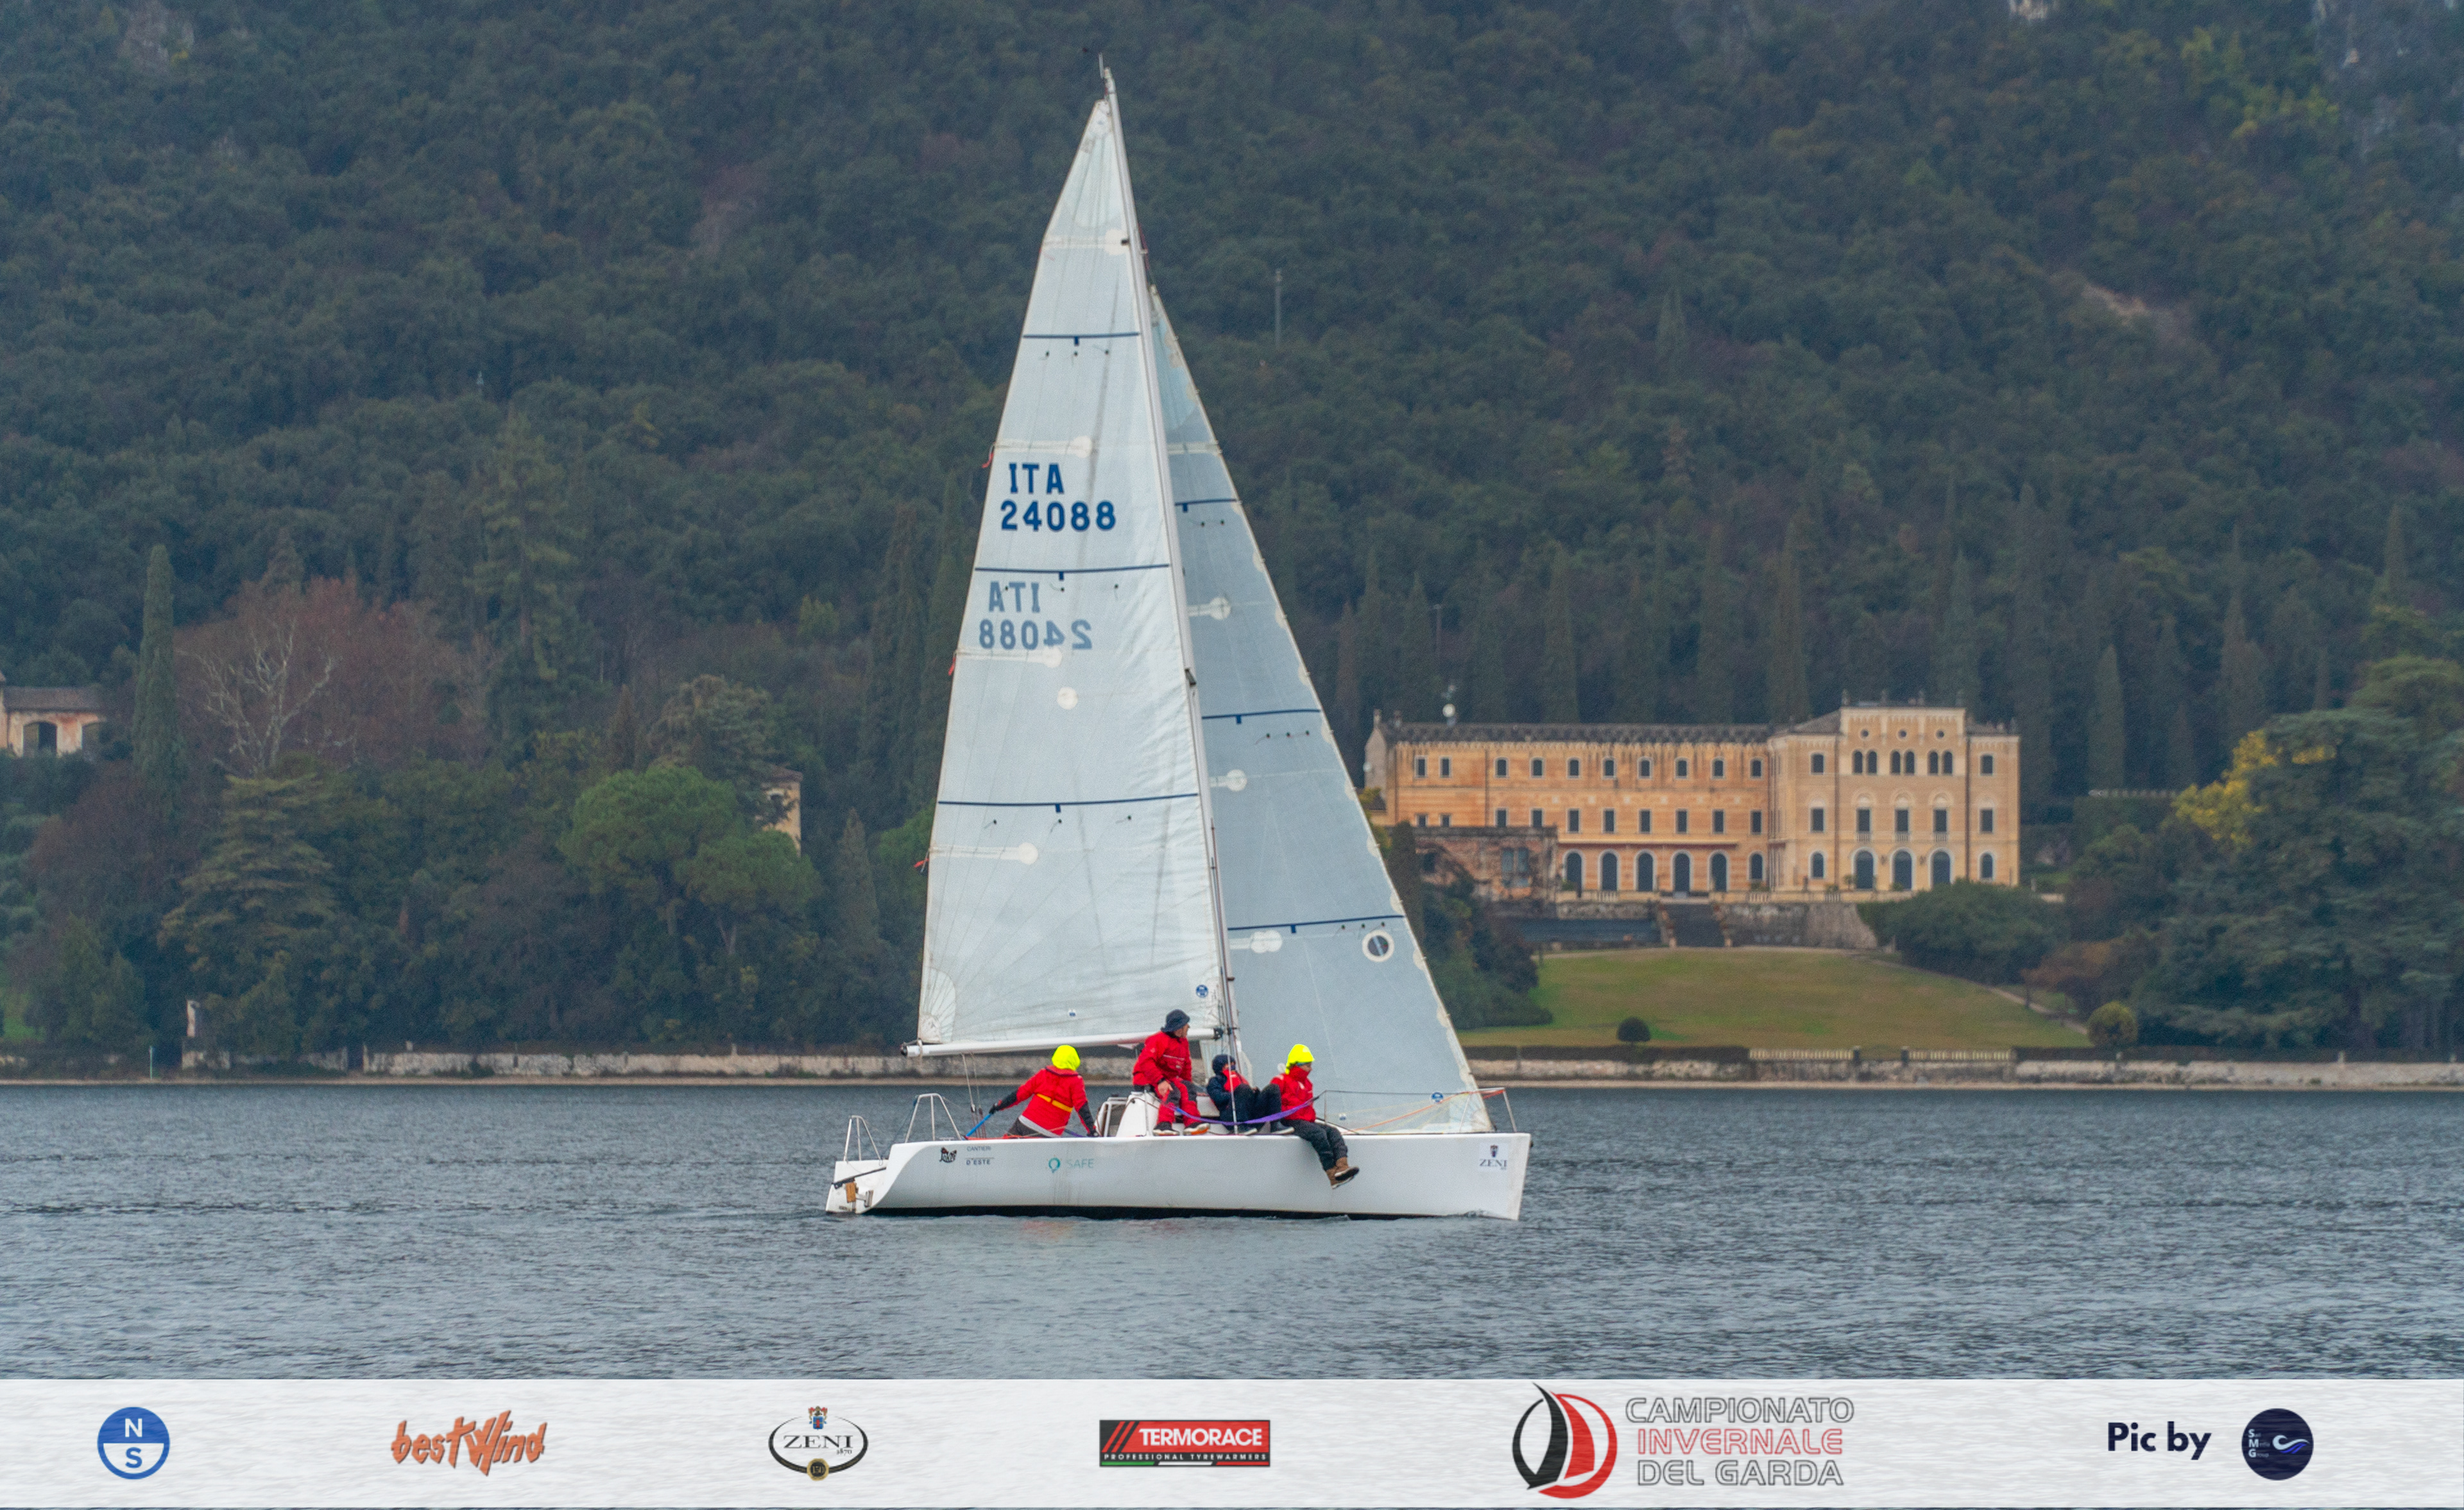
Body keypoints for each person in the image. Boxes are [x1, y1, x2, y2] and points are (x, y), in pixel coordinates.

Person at [1269, 1044, 1357, 1187]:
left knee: (1333, 1132)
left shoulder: (1307, 1084)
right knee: (1318, 1134)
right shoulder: (1280, 1081)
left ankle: (1342, 1167)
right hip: (1291, 1121)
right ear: (1298, 1065)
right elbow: (1271, 1101)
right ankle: (1332, 1174)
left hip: (1307, 1121)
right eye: (1308, 1065)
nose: (1311, 1069)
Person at [986, 1046, 1097, 1138]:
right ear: (1075, 1061)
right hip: (1049, 1133)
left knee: (1007, 1150)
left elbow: (1020, 1094)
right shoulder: (1076, 1081)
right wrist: (1092, 1130)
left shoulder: (1043, 1074)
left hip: (1025, 1123)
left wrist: (999, 1105)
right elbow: (1082, 1109)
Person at [1131, 1008, 1201, 1131]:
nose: (1188, 1027)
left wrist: (1189, 1084)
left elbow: (1186, 1066)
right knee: (1172, 1091)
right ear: (1179, 1028)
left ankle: (1192, 1123)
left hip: (1168, 1078)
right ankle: (1163, 1125)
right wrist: (1160, 1081)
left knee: (1188, 1089)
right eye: (1186, 1025)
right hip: (1147, 1078)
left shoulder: (1183, 1042)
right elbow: (1145, 1063)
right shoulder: (1158, 1040)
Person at [1204, 1053, 1269, 1133]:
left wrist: (1255, 1093)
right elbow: (1218, 1097)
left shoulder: (1239, 1078)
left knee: (1272, 1089)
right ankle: (1241, 1127)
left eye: (1233, 1064)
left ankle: (1276, 1124)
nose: (1233, 1067)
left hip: (1250, 1115)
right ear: (1221, 1066)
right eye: (1229, 1064)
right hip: (1231, 1116)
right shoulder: (1215, 1081)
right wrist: (1236, 1094)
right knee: (1243, 1088)